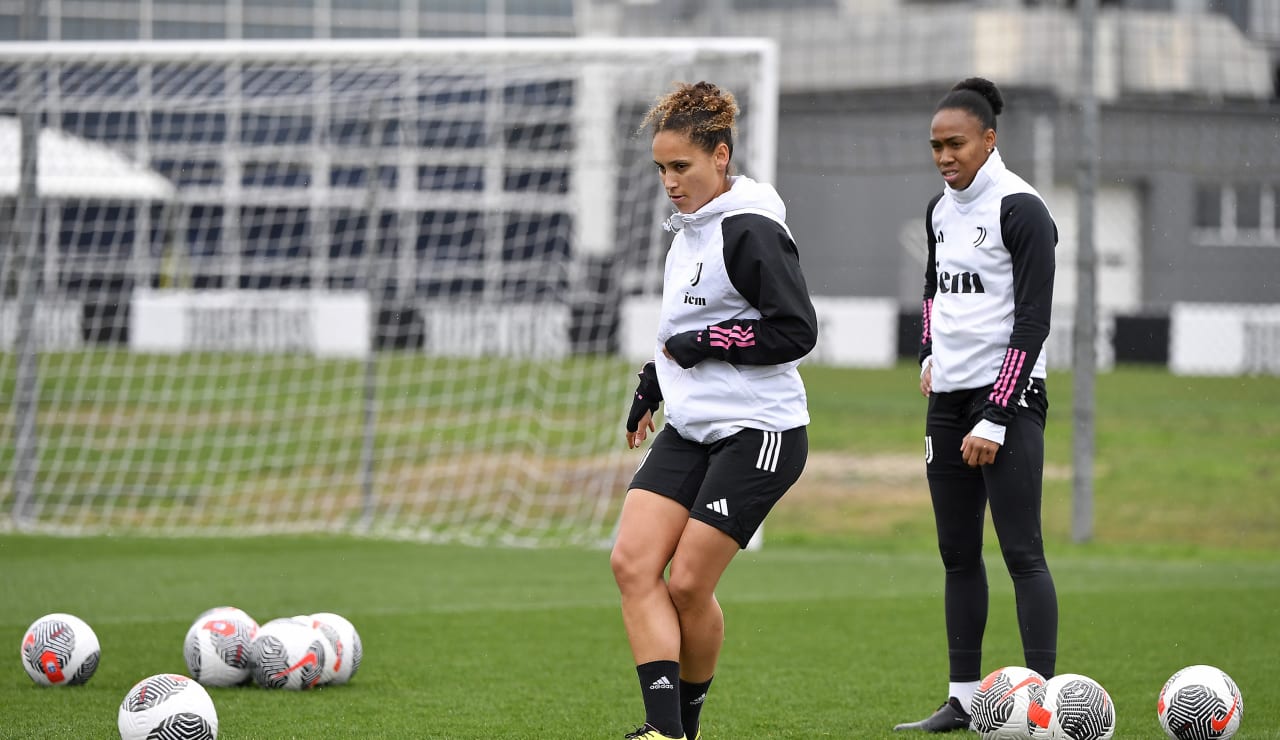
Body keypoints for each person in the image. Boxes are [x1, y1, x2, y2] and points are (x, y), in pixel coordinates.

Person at [610, 81, 818, 740]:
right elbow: (687, 327)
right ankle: (664, 731)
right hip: (693, 428)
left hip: (760, 432)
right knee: (632, 564)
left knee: (688, 583)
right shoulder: (689, 232)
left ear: (720, 157)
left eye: (682, 167)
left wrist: (705, 343)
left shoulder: (749, 229)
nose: (670, 182)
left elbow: (795, 331)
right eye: (661, 169)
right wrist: (653, 380)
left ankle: (684, 727)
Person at [895, 77, 1059, 733]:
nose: (944, 156)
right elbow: (935, 289)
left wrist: (996, 411)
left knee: (1022, 553)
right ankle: (964, 698)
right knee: (957, 554)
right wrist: (929, 351)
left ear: (989, 139)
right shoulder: (939, 210)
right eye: (935, 145)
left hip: (1010, 400)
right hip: (949, 401)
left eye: (955, 143)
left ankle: (1045, 702)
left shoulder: (1022, 209)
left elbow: (1034, 321)